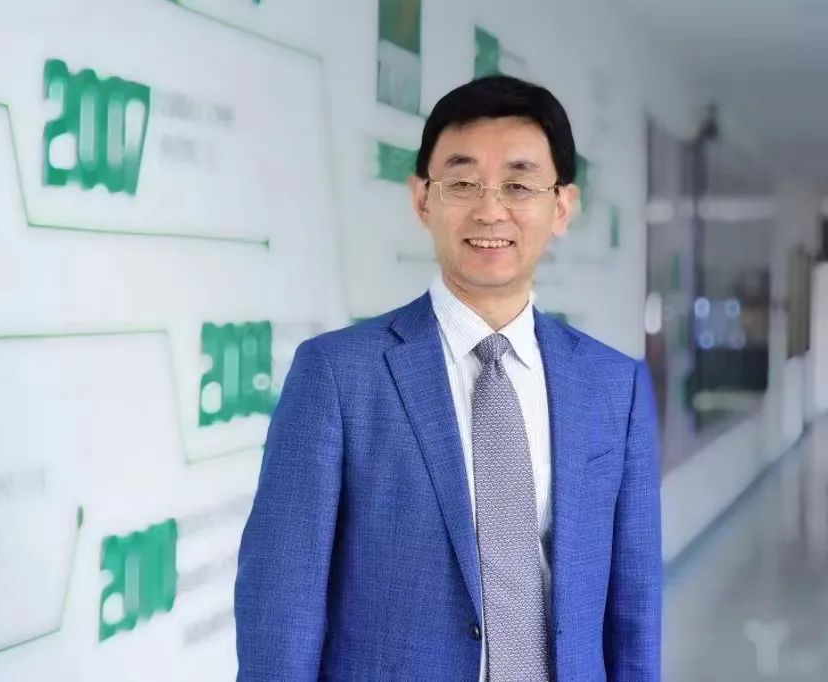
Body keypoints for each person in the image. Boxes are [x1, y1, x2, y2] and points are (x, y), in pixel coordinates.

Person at [234, 74, 661, 681]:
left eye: (518, 184)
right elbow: (281, 602)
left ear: (562, 207)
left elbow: (634, 607)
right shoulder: (337, 375)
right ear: (422, 200)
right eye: (462, 183)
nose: (489, 209)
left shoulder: (615, 386)